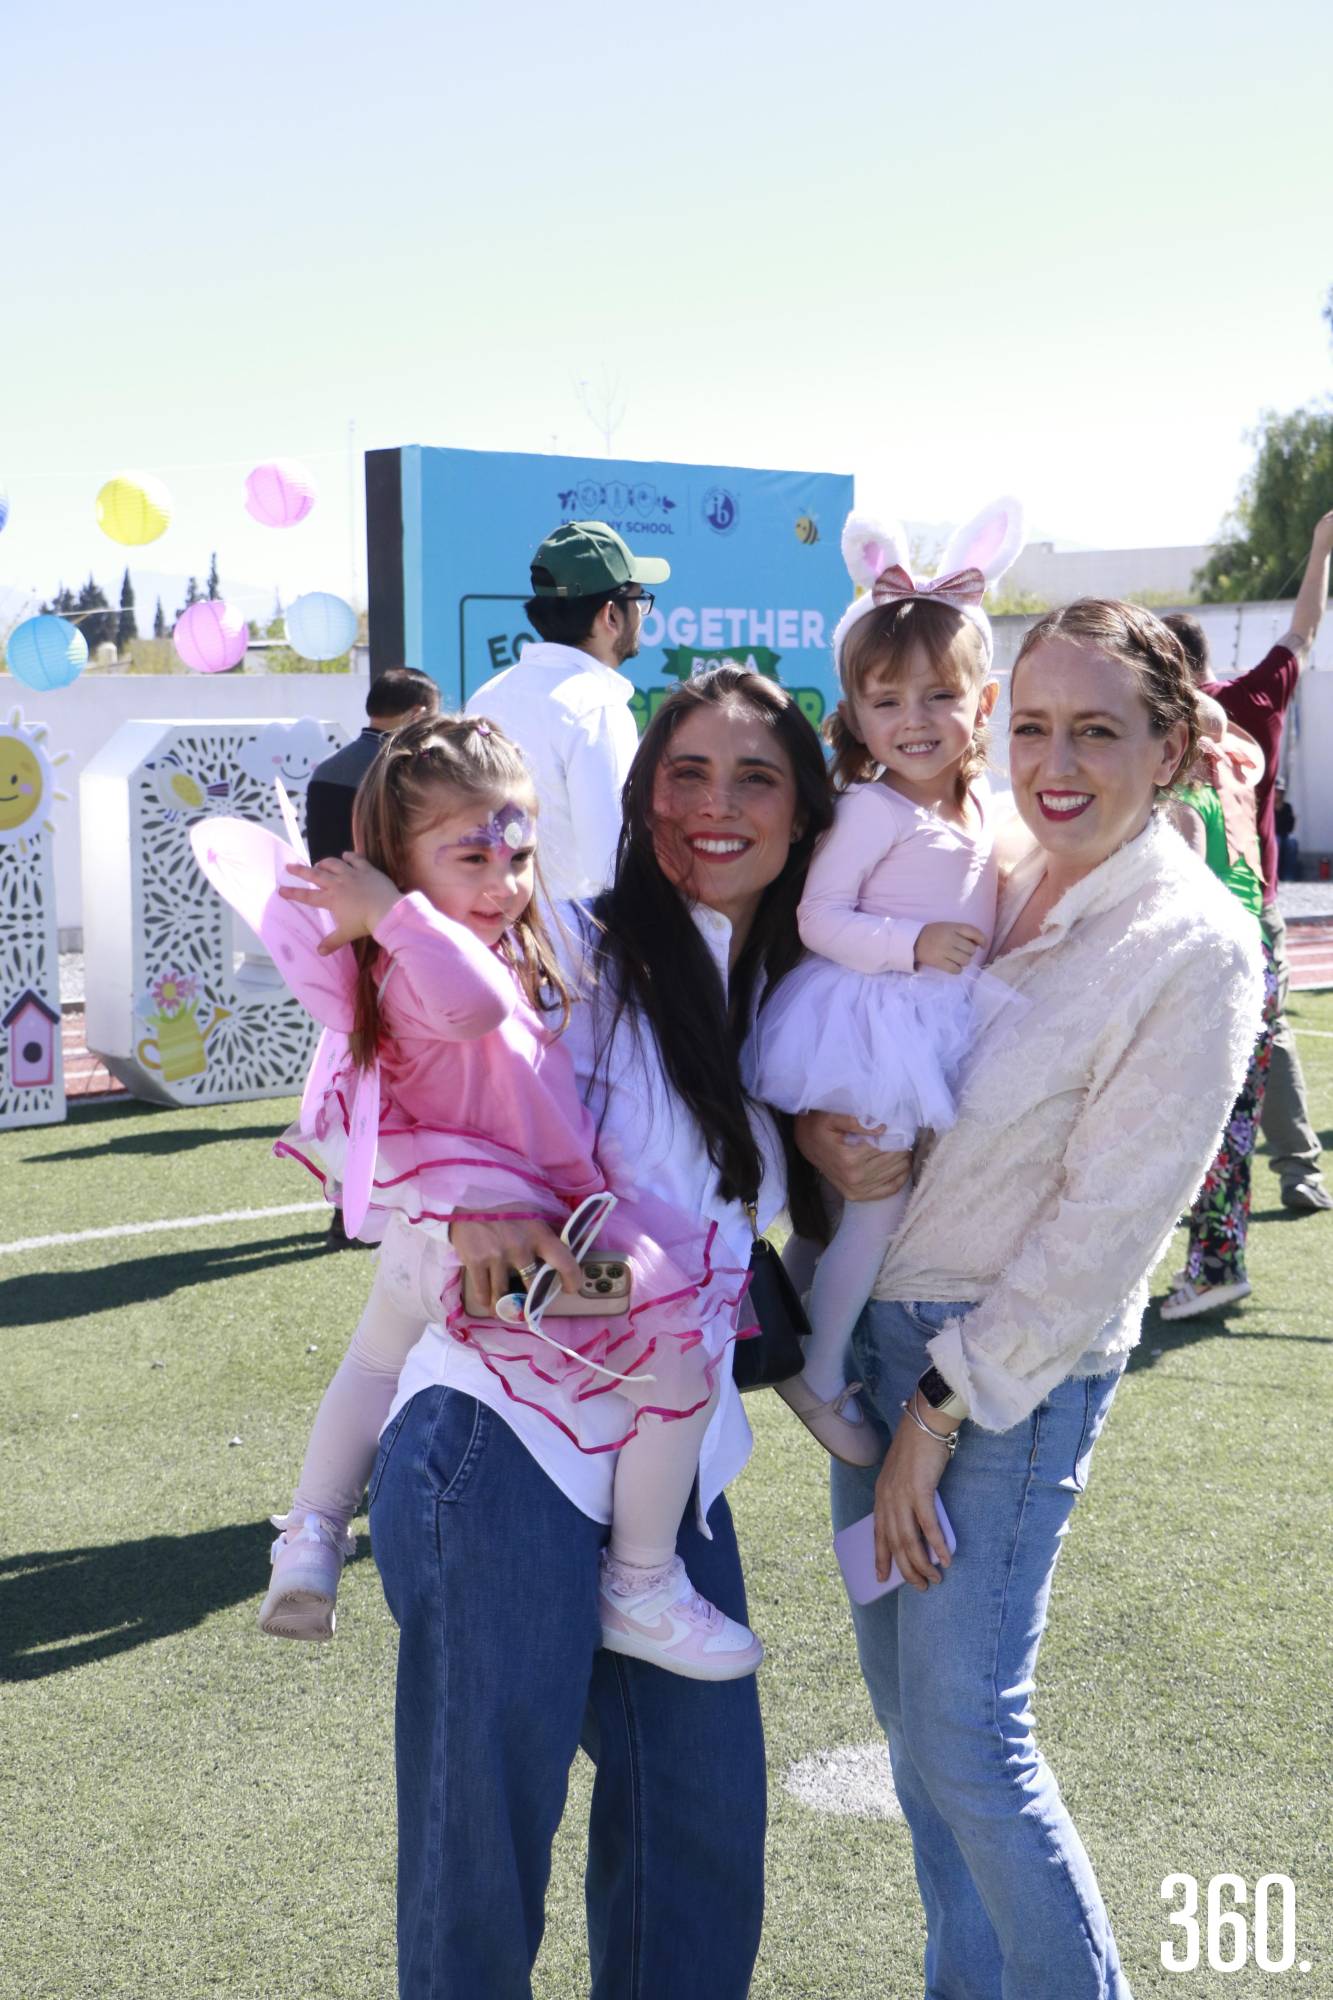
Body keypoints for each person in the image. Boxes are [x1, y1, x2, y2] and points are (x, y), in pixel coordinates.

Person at [796, 600, 1263, 2000]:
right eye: (1037, 727)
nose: (1055, 764)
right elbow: (885, 1061)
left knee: (968, 1744)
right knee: (915, 1742)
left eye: (1097, 732)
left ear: (1168, 749)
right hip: (879, 1347)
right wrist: (824, 1142)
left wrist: (937, 1411)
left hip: (998, 1379)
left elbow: (1103, 1234)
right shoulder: (990, 862)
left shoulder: (1192, 944)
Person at [365, 667, 841, 1999]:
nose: (716, 805)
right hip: (497, 1450)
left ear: (803, 810)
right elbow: (388, 1051)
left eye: (754, 777)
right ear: (638, 798)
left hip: (664, 1473)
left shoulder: (790, 990)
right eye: (686, 773)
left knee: (701, 1831)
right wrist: (456, 1207)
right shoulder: (559, 949)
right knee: (481, 1866)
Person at [204, 714, 769, 1677]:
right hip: (523, 1249)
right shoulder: (425, 959)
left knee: (372, 1360)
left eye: (520, 855)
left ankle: (309, 1531)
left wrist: (401, 914)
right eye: (472, 856)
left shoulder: (429, 951)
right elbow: (473, 1006)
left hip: (430, 1242)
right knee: (679, 1362)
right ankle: (641, 1582)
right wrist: (396, 914)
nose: (505, 882)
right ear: (397, 864)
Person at [746, 499, 1023, 1466]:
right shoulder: (870, 809)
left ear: (982, 702)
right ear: (855, 713)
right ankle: (818, 1369)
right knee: (875, 1199)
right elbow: (819, 918)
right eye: (887, 701)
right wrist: (910, 944)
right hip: (872, 1020)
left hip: (930, 1016)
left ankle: (776, 1327)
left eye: (939, 696)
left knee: (848, 1209)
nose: (914, 721)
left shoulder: (977, 801)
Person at [1164, 506, 1333, 1213]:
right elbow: (1302, 631)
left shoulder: (1156, 724)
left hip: (1184, 910)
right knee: (1270, 1032)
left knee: (1186, 1044)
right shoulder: (1256, 697)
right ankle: (1299, 1170)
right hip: (1254, 902)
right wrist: (1320, 547)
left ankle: (1189, 1190)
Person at [464, 519, 667, 903]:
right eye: (639, 600)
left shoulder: (486, 697)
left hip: (492, 926)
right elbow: (613, 867)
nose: (642, 615)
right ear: (611, 615)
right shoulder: (595, 707)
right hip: (568, 933)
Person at [1162, 699, 1280, 1317]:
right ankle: (1219, 1262)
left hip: (1218, 968)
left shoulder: (1185, 800)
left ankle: (1214, 1269)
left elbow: (1183, 893)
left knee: (1208, 1131)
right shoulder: (1233, 789)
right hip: (1258, 959)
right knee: (1234, 1130)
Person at [305, 666, 439, 864]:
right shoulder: (404, 770)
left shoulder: (325, 770)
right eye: (435, 719)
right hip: (382, 884)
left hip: (326, 881)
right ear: (418, 714)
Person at [1275, 784, 1299, 880]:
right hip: (1272, 835)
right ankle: (1274, 874)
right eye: (1277, 791)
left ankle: (1288, 876)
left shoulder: (1287, 807)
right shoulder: (1268, 806)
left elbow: (1290, 827)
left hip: (1284, 834)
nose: (1279, 794)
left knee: (1292, 842)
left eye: (1281, 792)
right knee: (1276, 841)